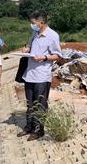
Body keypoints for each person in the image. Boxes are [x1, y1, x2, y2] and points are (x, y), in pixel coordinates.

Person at [18, 11, 62, 141]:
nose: (32, 25)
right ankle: (29, 126)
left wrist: (43, 57)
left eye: (33, 23)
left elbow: (57, 55)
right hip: (29, 74)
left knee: (40, 104)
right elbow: (29, 47)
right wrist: (26, 49)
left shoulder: (52, 36)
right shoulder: (34, 34)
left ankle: (39, 130)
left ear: (41, 23)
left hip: (42, 76)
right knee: (30, 103)